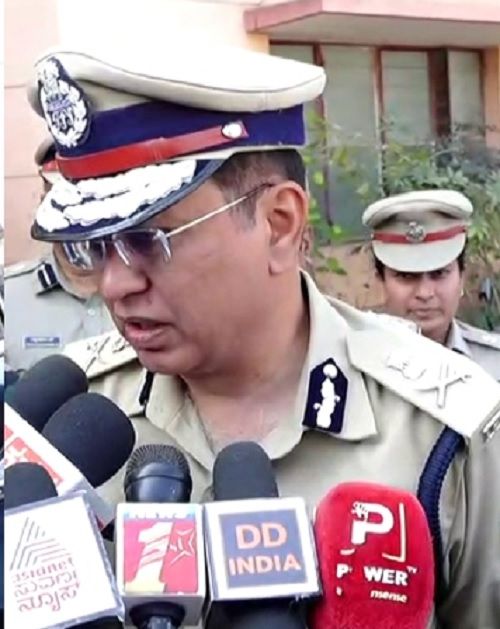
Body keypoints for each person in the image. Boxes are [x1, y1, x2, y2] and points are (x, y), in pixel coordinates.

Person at [27, 43, 499, 627]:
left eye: (149, 239)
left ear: (279, 224)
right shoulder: (67, 426)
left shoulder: (443, 431)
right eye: (96, 246)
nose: (115, 283)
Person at [363, 190, 500, 380]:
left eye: (439, 274)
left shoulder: (494, 364)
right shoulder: (357, 366)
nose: (425, 293)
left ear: (461, 276)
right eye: (406, 276)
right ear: (381, 280)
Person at [4, 140, 114, 371]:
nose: (78, 217)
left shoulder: (152, 292)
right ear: (43, 205)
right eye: (63, 199)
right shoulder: (7, 297)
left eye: (91, 199)